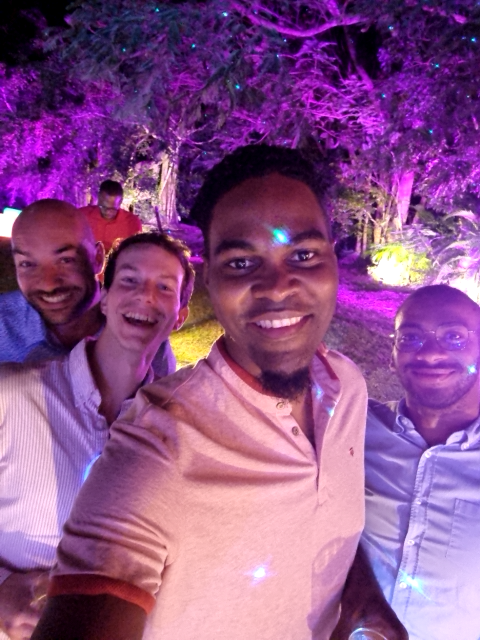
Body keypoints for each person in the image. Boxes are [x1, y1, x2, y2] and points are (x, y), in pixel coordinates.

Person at [33, 145, 406, 640]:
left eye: (303, 255)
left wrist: (361, 591)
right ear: (208, 279)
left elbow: (324, 510)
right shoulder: (159, 447)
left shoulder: (348, 389)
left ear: (334, 261)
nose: (277, 286)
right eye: (241, 262)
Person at [0, 232, 194, 640]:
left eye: (164, 287)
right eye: (129, 280)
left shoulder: (176, 431)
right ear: (104, 298)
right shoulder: (11, 396)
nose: (144, 295)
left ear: (180, 315)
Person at [362, 284, 480, 640]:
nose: (430, 353)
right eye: (410, 338)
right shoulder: (355, 429)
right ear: (392, 353)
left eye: (454, 337)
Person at [0, 199, 176, 376]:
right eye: (27, 264)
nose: (48, 284)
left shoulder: (143, 332)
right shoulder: (3, 323)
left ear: (97, 259)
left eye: (66, 260)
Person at [79, 180, 142, 253]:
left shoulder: (132, 222)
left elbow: (137, 252)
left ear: (120, 202)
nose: (107, 212)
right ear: (99, 198)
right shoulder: (82, 215)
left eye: (112, 209)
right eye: (103, 207)